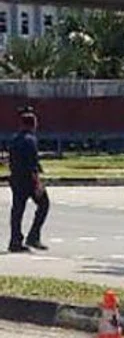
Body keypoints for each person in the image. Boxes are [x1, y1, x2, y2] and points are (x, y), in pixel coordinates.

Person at [8, 108, 49, 253]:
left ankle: (15, 240)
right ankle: (33, 236)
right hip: (28, 180)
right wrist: (37, 183)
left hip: (15, 178)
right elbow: (32, 164)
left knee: (17, 211)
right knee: (44, 204)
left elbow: (11, 160)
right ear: (33, 124)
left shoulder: (14, 139)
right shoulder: (31, 140)